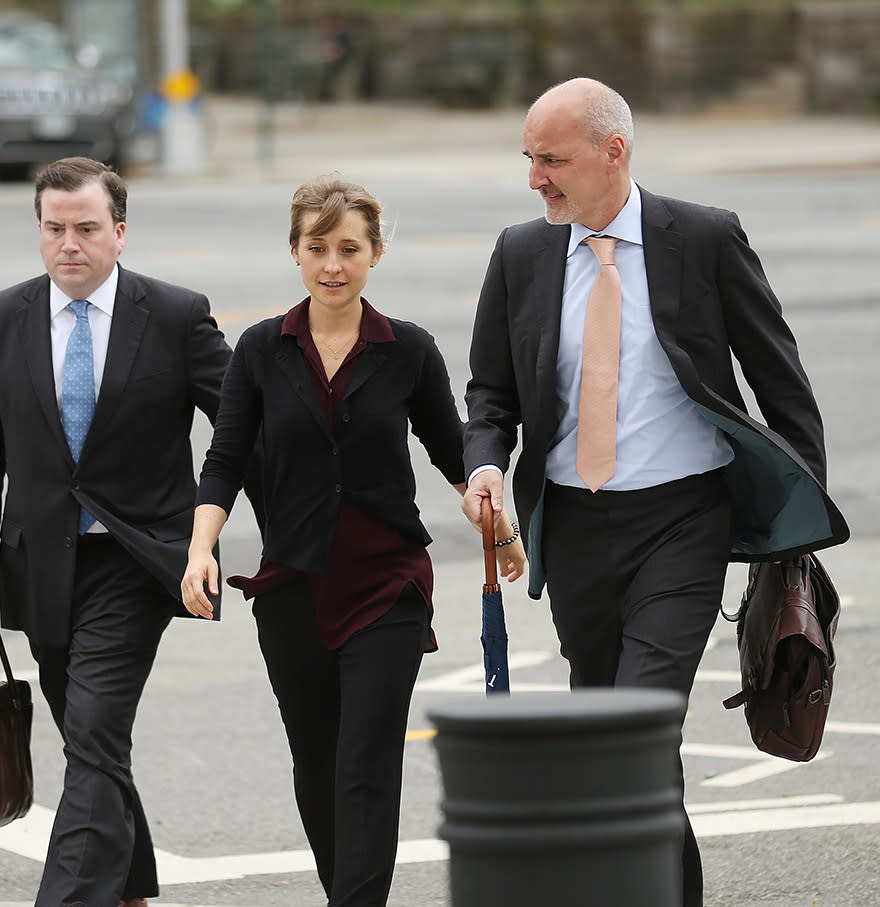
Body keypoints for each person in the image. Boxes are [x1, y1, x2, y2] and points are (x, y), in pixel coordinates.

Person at [460, 78, 848, 906]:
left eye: (552, 160)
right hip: (574, 530)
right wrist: (486, 464)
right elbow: (489, 394)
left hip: (682, 522)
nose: (536, 179)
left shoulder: (702, 237)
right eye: (529, 159)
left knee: (635, 732)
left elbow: (782, 384)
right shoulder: (520, 254)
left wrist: (795, 533)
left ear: (614, 152)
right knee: (616, 749)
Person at [182, 177, 525, 907]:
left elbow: (455, 449)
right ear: (296, 252)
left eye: (348, 248)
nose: (332, 264)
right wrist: (201, 548)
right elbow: (225, 460)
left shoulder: (408, 351)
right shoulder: (258, 351)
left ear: (375, 253)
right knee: (317, 762)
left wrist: (493, 513)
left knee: (366, 764)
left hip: (387, 586)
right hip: (291, 586)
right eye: (317, 248)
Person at [0, 156, 234, 907]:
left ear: (120, 233)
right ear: (39, 232)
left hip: (137, 559)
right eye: (54, 228)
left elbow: (239, 430)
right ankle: (130, 886)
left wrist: (214, 532)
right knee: (89, 737)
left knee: (97, 725)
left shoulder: (173, 315)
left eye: (86, 228)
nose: (68, 243)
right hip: (41, 564)